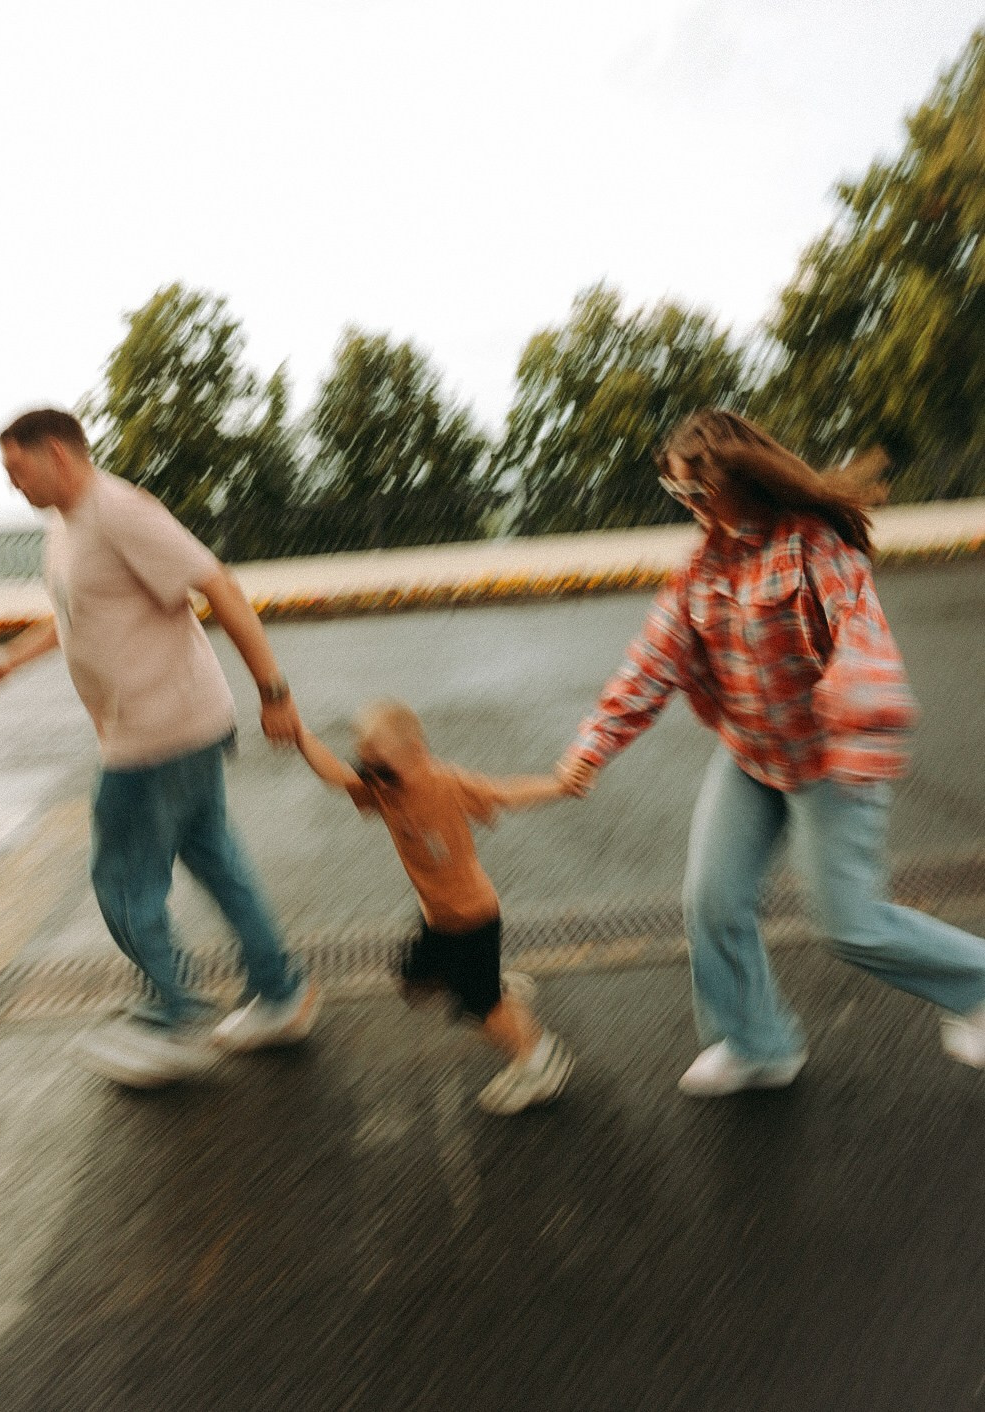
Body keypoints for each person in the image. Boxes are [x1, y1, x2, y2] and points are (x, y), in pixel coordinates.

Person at [558, 409, 985, 1097]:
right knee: (712, 900)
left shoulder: (810, 546)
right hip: (752, 758)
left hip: (831, 760)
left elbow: (862, 639)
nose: (691, 507)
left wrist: (856, 730)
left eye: (698, 492)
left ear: (741, 480)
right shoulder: (702, 567)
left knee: (852, 924)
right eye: (677, 495)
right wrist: (594, 744)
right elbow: (652, 660)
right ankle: (757, 1045)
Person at [0, 407, 318, 1087]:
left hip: (157, 732)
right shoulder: (66, 528)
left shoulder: (119, 511)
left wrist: (275, 690)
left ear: (55, 452)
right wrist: (6, 664)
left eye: (16, 471)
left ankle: (174, 1014)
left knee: (121, 877)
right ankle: (281, 995)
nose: (13, 487)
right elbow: (75, 613)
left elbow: (215, 582)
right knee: (217, 859)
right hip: (176, 725)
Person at [296, 700, 575, 1114]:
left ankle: (538, 1060)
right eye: (367, 765)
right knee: (416, 982)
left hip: (473, 919)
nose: (374, 777)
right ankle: (498, 992)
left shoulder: (444, 783)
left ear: (418, 755)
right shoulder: (379, 785)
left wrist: (560, 785)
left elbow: (506, 793)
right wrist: (298, 731)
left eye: (384, 767)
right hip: (436, 919)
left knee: (479, 1008)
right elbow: (336, 774)